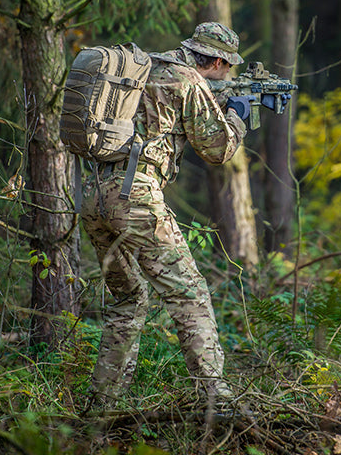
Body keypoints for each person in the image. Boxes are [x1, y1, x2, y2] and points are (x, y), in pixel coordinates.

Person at [82, 21, 253, 410]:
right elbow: (217, 149)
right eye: (227, 68)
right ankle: (216, 399)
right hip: (135, 197)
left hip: (94, 196)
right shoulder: (188, 80)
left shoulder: (146, 69)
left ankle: (102, 405)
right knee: (188, 292)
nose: (228, 75)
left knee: (128, 300)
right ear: (214, 61)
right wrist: (238, 117)